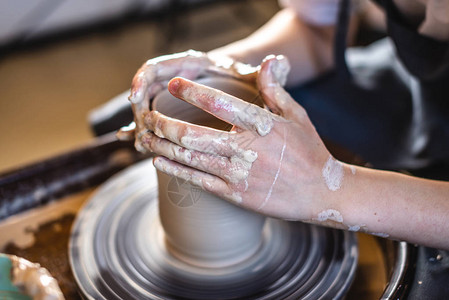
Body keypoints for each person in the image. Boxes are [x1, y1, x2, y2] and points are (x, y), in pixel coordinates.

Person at [118, 0, 449, 252]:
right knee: (122, 113)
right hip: (419, 87)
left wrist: (331, 189)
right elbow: (319, 30)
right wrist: (223, 68)